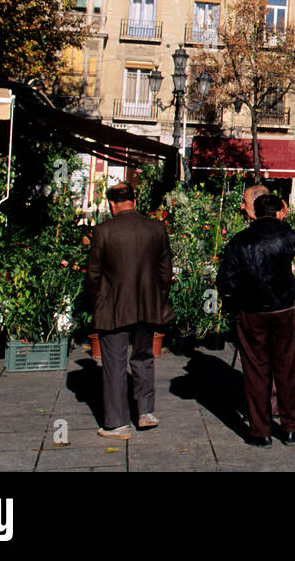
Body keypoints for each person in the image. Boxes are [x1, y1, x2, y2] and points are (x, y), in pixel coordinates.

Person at [84, 182, 174, 439]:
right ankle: (145, 411)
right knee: (144, 357)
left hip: (113, 307)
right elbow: (165, 271)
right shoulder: (156, 229)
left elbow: (93, 275)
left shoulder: (103, 231)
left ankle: (117, 423)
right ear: (135, 200)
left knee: (113, 363)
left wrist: (96, 303)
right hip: (147, 304)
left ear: (112, 204)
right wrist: (158, 297)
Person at [217, 193, 295, 448]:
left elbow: (225, 280)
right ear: (280, 211)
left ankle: (260, 431)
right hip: (281, 309)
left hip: (250, 310)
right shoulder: (287, 236)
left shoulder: (240, 241)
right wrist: (285, 221)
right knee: (285, 367)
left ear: (254, 212)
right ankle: (291, 427)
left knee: (255, 370)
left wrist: (234, 303)